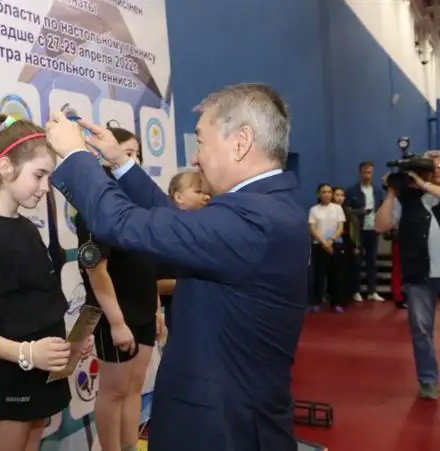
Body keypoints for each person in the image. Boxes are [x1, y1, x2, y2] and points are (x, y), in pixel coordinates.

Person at [45, 83, 307, 451]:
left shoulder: (253, 219)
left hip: (221, 430)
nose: (196, 158)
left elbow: (122, 223)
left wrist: (76, 156)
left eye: (200, 141)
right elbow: (173, 220)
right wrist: (120, 163)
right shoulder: (266, 207)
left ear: (241, 141)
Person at [0, 114, 86, 451]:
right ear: (6, 167)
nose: (45, 188)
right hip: (9, 382)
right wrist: (28, 353)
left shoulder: (26, 228)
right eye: (39, 175)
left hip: (41, 375)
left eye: (49, 178)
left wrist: (63, 347)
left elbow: (34, 306)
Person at [74, 127, 164, 451]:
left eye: (137, 154)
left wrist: (156, 308)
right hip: (114, 314)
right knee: (114, 391)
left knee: (134, 386)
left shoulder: (140, 204)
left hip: (143, 311)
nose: (134, 160)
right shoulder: (95, 206)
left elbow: (148, 261)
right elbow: (96, 270)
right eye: (127, 153)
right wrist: (116, 322)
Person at [374, 152, 440, 399]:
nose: (437, 170)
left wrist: (423, 185)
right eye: (433, 167)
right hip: (419, 274)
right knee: (421, 330)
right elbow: (380, 226)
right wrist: (391, 193)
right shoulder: (405, 200)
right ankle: (428, 379)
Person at [157, 171, 210, 329]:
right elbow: (154, 284)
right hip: (182, 319)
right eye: (199, 192)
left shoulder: (209, 230)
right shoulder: (164, 235)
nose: (206, 197)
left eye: (207, 192)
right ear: (179, 197)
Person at [345, 161, 385, 302]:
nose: (367, 175)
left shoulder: (378, 191)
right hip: (358, 231)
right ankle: (355, 291)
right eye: (365, 172)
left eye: (370, 172)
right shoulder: (351, 191)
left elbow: (382, 208)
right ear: (360, 173)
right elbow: (345, 210)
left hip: (373, 230)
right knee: (357, 261)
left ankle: (372, 291)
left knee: (372, 261)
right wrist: (359, 212)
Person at [308, 183, 347, 313]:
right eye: (323, 192)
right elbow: (312, 228)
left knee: (336, 275)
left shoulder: (337, 208)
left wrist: (331, 241)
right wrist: (324, 243)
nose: (327, 194)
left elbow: (340, 227)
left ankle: (336, 303)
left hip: (335, 244)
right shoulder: (314, 210)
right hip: (319, 245)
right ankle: (316, 301)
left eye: (329, 192)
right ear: (319, 194)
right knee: (319, 275)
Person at [332, 186, 362, 304]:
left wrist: (356, 245)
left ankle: (350, 293)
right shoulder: (329, 210)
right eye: (337, 195)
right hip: (333, 241)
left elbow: (355, 228)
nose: (340, 198)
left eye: (342, 195)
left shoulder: (349, 211)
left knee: (350, 268)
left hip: (348, 242)